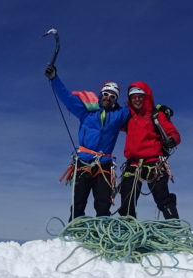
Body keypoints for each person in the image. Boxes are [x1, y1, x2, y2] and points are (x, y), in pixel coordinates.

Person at [45, 64, 130, 220]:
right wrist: (54, 78)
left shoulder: (119, 116)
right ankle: (74, 233)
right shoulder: (86, 112)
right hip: (84, 162)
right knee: (78, 202)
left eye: (113, 96)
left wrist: (157, 110)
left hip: (104, 164)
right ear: (100, 94)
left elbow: (138, 106)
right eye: (106, 94)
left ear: (116, 100)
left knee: (103, 204)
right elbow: (67, 98)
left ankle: (102, 234)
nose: (108, 98)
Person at [118, 81, 181, 220]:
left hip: (154, 162)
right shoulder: (127, 116)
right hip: (133, 164)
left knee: (162, 196)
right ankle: (129, 230)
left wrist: (172, 140)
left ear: (146, 96)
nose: (137, 99)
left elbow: (173, 133)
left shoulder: (156, 115)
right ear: (130, 99)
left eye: (140, 96)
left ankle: (174, 228)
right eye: (133, 97)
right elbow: (112, 117)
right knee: (127, 200)